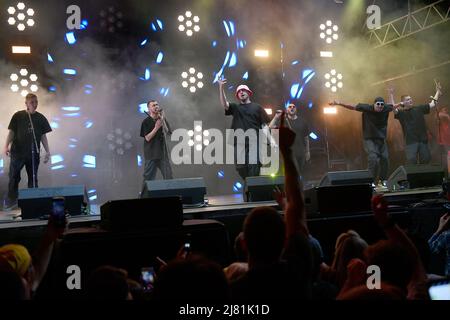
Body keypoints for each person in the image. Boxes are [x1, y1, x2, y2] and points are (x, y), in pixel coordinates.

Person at [330, 97, 400, 186]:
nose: (380, 106)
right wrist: (339, 103)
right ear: (374, 104)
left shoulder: (386, 108)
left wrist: (401, 103)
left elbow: (393, 106)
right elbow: (352, 106)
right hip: (369, 139)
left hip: (381, 139)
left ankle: (383, 180)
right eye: (377, 104)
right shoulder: (367, 108)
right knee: (373, 158)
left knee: (385, 159)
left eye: (382, 104)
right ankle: (370, 181)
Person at [3, 93, 51, 210]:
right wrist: (6, 146)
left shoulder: (41, 118)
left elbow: (43, 136)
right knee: (14, 177)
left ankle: (32, 203)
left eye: (36, 102)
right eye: (32, 102)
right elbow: (12, 132)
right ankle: (11, 202)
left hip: (33, 153)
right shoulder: (18, 116)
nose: (35, 105)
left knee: (33, 178)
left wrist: (47, 151)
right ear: (26, 104)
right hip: (18, 152)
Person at [218, 78, 270, 180]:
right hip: (240, 142)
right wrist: (221, 87)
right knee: (241, 168)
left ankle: (253, 189)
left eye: (243, 90)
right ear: (237, 96)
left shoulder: (257, 107)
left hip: (255, 142)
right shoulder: (235, 108)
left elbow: (265, 125)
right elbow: (225, 104)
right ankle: (249, 188)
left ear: (249, 93)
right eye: (239, 92)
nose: (241, 92)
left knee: (254, 168)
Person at [388, 82, 443, 164]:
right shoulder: (401, 113)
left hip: (423, 140)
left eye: (410, 99)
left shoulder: (419, 108)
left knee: (425, 160)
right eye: (407, 100)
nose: (410, 100)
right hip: (411, 142)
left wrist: (438, 91)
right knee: (411, 161)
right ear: (403, 102)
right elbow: (392, 107)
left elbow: (432, 103)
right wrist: (391, 94)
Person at [140, 100, 173, 192]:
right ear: (149, 108)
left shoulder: (161, 119)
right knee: (148, 178)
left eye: (157, 104)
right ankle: (143, 199)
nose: (156, 106)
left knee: (169, 176)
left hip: (163, 154)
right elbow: (147, 138)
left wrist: (162, 119)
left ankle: (171, 196)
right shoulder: (146, 122)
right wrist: (156, 128)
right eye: (153, 105)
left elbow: (168, 132)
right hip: (151, 155)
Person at [270, 103, 310, 177]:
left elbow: (306, 138)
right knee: (294, 172)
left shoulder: (302, 122)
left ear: (296, 109)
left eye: (294, 107)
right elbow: (271, 127)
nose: (292, 108)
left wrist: (307, 151)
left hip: (300, 152)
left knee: (300, 173)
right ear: (287, 110)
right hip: (289, 153)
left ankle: (298, 187)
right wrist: (276, 117)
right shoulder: (283, 122)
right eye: (290, 107)